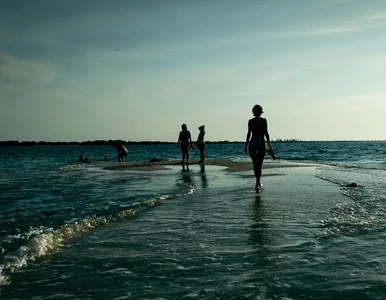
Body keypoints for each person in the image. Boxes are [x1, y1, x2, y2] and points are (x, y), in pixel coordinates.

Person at [244, 105, 273, 191]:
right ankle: (257, 183)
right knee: (259, 165)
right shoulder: (264, 121)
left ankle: (257, 182)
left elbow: (249, 134)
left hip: (253, 143)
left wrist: (246, 145)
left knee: (255, 164)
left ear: (253, 111)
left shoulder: (251, 121)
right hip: (261, 142)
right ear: (261, 111)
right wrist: (270, 145)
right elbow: (266, 133)